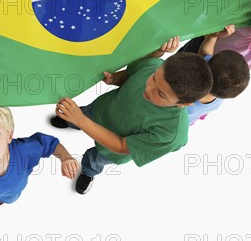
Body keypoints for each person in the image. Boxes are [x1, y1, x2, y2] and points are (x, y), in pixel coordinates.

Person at [50, 51, 213, 194]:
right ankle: (70, 122)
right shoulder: (154, 64)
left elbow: (121, 146)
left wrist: (81, 120)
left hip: (111, 148)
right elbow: (131, 74)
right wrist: (115, 79)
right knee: (79, 116)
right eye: (154, 78)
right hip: (100, 110)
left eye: (161, 94)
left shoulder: (172, 133)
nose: (149, 88)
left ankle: (88, 172)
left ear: (184, 104)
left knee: (94, 159)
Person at [188, 50, 250, 126]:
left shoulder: (187, 99)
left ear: (207, 64)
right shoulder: (221, 94)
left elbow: (204, 51)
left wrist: (210, 39)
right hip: (192, 118)